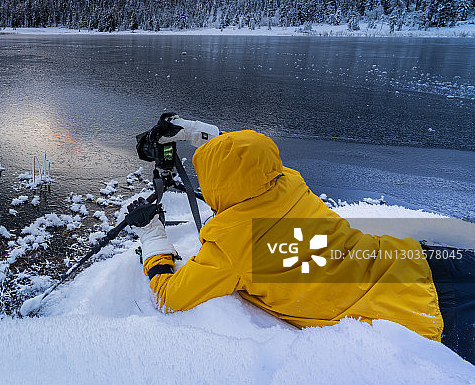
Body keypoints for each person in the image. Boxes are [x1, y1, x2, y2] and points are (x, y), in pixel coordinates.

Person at [126, 114, 475, 364]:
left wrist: (154, 237)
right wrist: (194, 132)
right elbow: (249, 159)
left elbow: (170, 297)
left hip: (422, 309)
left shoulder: (230, 249)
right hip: (418, 258)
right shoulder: (289, 181)